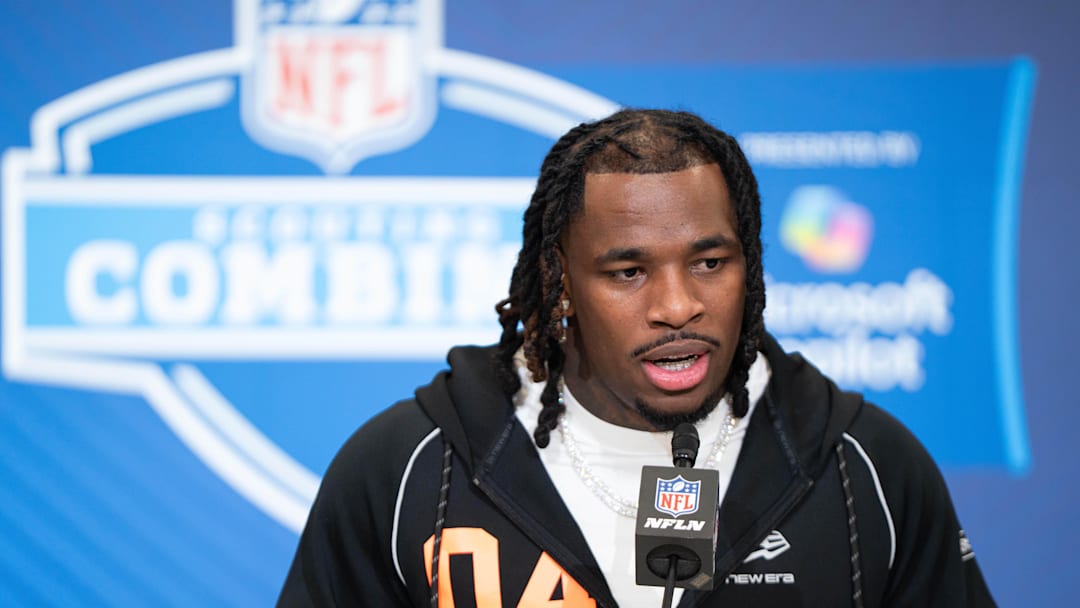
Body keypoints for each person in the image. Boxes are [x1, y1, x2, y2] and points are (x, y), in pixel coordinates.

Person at [277, 109, 996, 607]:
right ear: (559, 281)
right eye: (628, 273)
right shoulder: (407, 468)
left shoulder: (864, 466)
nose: (678, 305)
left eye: (711, 261)